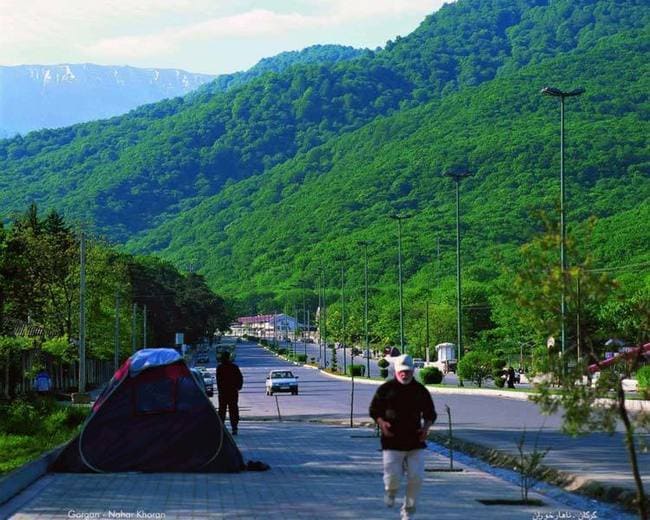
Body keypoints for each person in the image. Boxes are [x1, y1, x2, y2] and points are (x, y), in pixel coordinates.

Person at [369, 354, 436, 520]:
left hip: (415, 441)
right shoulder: (386, 390)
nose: (405, 375)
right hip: (392, 441)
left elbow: (430, 414)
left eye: (408, 371)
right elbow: (374, 410)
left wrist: (426, 428)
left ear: (413, 371)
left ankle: (408, 512)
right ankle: (391, 492)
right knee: (393, 479)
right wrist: (381, 423)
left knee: (416, 478)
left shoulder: (420, 391)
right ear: (396, 372)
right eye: (402, 372)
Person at [216, 351, 243, 435]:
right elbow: (240, 378)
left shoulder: (220, 367)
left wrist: (220, 390)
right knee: (233, 410)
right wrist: (237, 387)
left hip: (223, 392)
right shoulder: (234, 367)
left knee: (222, 410)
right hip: (232, 392)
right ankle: (234, 428)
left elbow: (218, 381)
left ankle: (222, 428)